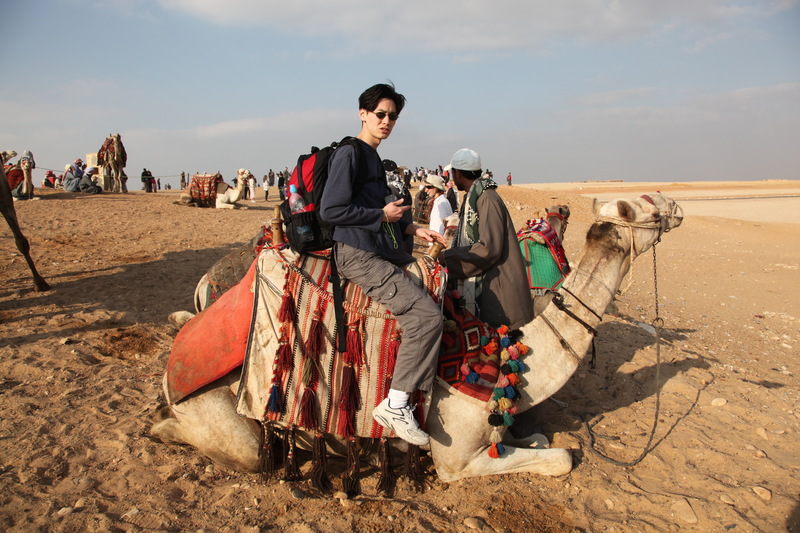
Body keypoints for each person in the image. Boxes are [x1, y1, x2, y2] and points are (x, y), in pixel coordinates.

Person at [320, 83, 445, 447]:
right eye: (380, 114)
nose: (386, 121)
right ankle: (396, 403)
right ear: (363, 114)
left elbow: (381, 213)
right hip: (357, 254)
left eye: (393, 116)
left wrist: (413, 228)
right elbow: (331, 210)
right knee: (426, 317)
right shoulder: (350, 154)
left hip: (376, 248)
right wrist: (381, 214)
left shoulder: (372, 157)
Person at [440, 149, 533, 329]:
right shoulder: (475, 197)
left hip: (499, 283)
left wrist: (449, 258)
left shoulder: (486, 198)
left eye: (452, 173)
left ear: (457, 173)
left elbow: (489, 248)